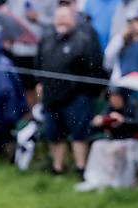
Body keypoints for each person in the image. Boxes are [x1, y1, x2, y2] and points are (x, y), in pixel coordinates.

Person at [37, 6, 104, 174]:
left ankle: (81, 168)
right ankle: (57, 168)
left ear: (74, 19)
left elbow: (93, 67)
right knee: (54, 134)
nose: (61, 22)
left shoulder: (84, 39)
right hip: (52, 95)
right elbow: (38, 63)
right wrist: (40, 83)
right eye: (58, 18)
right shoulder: (47, 38)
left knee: (79, 134)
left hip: (77, 96)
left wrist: (86, 91)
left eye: (65, 17)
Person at [75, 86, 138, 191]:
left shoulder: (133, 104)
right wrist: (97, 122)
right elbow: (96, 125)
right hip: (113, 139)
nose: (114, 100)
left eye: (116, 97)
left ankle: (122, 181)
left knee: (117, 148)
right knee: (97, 146)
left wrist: (124, 121)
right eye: (112, 98)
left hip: (132, 140)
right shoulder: (109, 107)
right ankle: (98, 179)